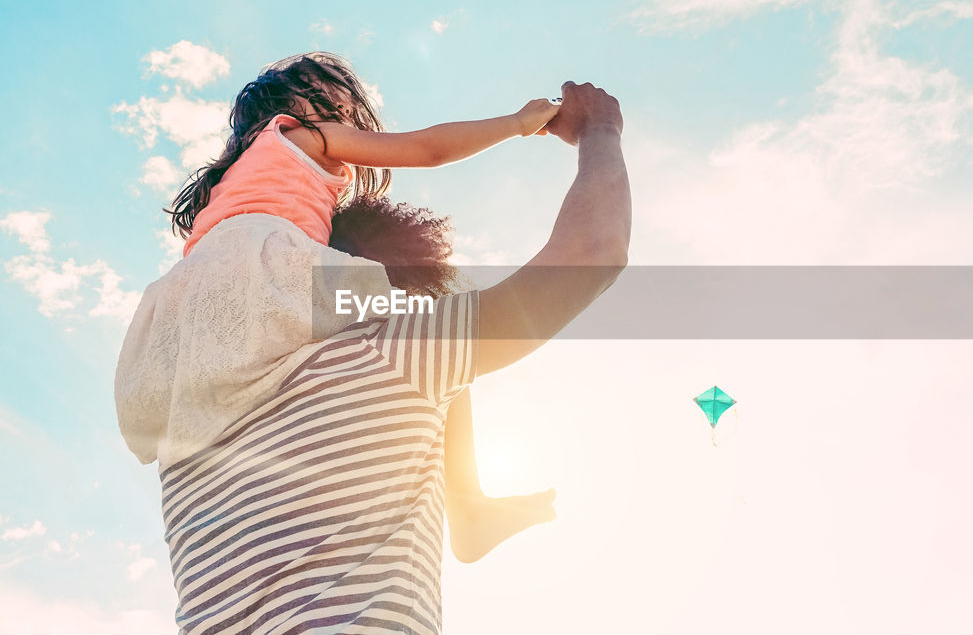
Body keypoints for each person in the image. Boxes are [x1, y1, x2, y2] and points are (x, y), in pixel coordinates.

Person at [118, 56, 628, 631]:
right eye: (331, 101)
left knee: (432, 333)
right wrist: (524, 123)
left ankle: (470, 506)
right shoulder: (303, 138)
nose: (342, 116)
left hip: (181, 326)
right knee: (431, 323)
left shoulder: (227, 178)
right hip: (275, 280)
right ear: (290, 107)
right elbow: (431, 149)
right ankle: (470, 505)